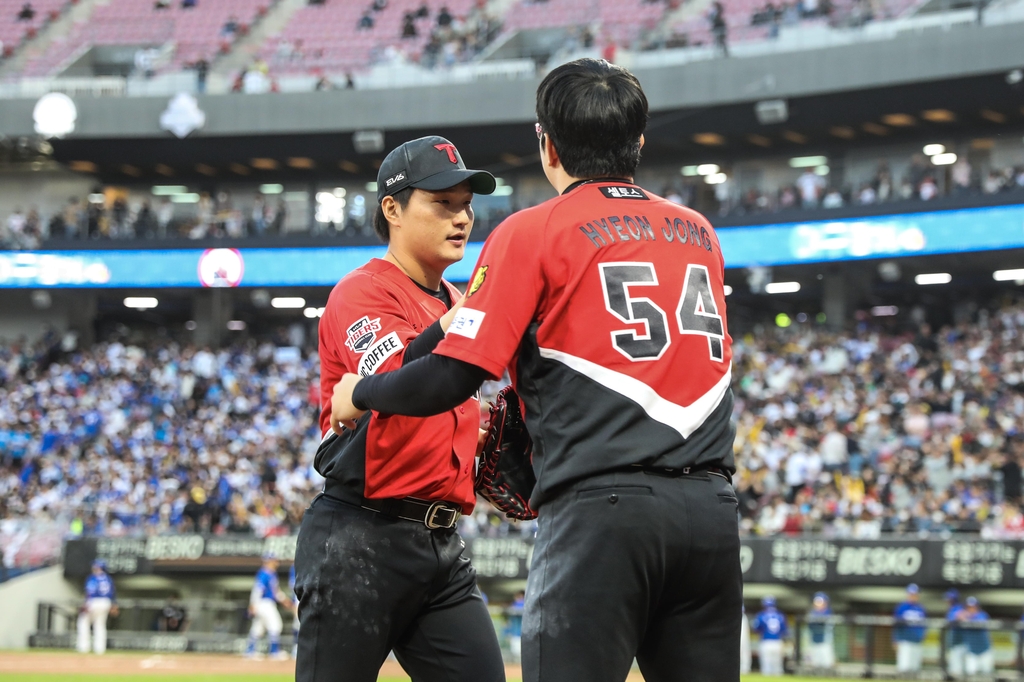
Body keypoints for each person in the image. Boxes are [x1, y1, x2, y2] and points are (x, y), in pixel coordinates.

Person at [331, 58, 741, 682]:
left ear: (547, 145)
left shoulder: (533, 231)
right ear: (638, 142)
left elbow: (450, 379)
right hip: (712, 510)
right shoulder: (699, 232)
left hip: (603, 507)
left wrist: (361, 392)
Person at [293, 135, 504, 682]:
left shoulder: (456, 302)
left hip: (442, 543)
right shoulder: (361, 291)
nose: (461, 218)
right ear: (393, 208)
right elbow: (396, 379)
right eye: (442, 203)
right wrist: (460, 324)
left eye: (465, 204)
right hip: (360, 535)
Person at [246, 554, 292, 660]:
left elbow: (276, 592)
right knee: (275, 625)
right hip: (264, 603)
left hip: (264, 603)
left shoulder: (271, 574)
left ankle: (250, 651)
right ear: (268, 561)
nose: (276, 562)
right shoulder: (264, 573)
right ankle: (274, 652)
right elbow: (258, 590)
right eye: (274, 560)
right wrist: (253, 604)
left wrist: (284, 600)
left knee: (258, 627)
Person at [77, 560, 118, 654]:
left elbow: (90, 591)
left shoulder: (93, 578)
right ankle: (99, 649)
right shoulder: (108, 578)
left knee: (83, 622)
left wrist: (86, 603)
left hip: (94, 601)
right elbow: (113, 593)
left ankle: (84, 647)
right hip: (106, 602)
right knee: (100, 625)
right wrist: (114, 604)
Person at [893, 583, 927, 674]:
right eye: (912, 594)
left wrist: (923, 636)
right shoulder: (902, 608)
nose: (914, 596)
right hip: (905, 641)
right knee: (904, 668)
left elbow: (924, 625)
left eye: (915, 594)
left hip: (917, 641)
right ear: (908, 594)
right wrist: (895, 640)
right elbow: (896, 625)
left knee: (915, 668)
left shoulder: (920, 608)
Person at [753, 596, 787, 676]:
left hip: (766, 641)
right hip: (777, 641)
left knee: (766, 664)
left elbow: (756, 629)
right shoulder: (780, 615)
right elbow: (784, 630)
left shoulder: (761, 615)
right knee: (777, 665)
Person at [961, 597, 993, 676]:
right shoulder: (963, 616)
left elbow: (980, 622)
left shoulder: (982, 615)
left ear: (977, 607)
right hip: (971, 651)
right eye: (969, 607)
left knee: (987, 674)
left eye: (973, 606)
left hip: (984, 650)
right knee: (970, 674)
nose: (971, 609)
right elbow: (953, 619)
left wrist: (967, 618)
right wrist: (962, 617)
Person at [807, 592, 834, 670]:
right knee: (815, 660)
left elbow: (825, 623)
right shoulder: (812, 612)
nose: (818, 604)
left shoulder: (828, 612)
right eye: (817, 602)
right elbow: (810, 625)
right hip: (814, 638)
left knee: (826, 659)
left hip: (825, 639)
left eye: (820, 602)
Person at [945, 589, 966, 678]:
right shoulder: (952, 609)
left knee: (957, 672)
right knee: (954, 670)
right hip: (954, 644)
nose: (947, 600)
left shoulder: (959, 608)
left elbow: (960, 617)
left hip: (960, 644)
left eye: (949, 599)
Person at [506, 591, 525, 663]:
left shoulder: (525, 604)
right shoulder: (514, 605)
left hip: (523, 634)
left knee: (521, 654)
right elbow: (510, 621)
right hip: (515, 633)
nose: (518, 598)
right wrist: (508, 632)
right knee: (515, 654)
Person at [740, 604, 752, 674]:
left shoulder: (744, 617)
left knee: (745, 653)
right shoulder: (734, 617)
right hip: (740, 638)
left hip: (745, 638)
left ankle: (745, 668)